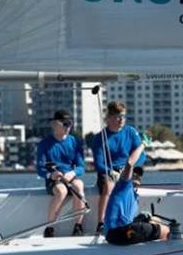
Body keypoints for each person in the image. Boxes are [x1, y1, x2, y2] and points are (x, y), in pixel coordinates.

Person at [91, 101, 146, 234]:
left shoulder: (131, 132)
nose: (122, 120)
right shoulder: (99, 138)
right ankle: (101, 223)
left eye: (123, 116)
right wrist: (111, 172)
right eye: (118, 116)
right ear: (109, 117)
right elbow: (98, 163)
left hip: (127, 170)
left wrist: (131, 168)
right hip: (108, 172)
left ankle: (128, 219)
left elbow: (141, 155)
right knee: (109, 186)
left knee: (133, 184)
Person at [104, 143, 169, 245]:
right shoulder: (124, 185)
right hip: (116, 233)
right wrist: (143, 144)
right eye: (134, 172)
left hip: (121, 232)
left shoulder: (135, 197)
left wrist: (142, 218)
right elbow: (130, 163)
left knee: (156, 221)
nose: (137, 175)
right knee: (166, 231)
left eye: (140, 173)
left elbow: (127, 220)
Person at [36, 110, 86, 237]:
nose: (68, 127)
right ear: (54, 124)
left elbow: (81, 167)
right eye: (64, 124)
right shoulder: (44, 144)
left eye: (70, 124)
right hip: (54, 179)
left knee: (79, 186)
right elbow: (40, 168)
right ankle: (50, 227)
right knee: (61, 191)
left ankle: (78, 226)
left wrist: (72, 173)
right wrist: (50, 175)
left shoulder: (75, 142)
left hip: (70, 177)